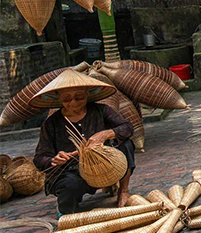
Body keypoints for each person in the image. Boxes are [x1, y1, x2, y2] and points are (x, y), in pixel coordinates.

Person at [32, 70, 136, 215]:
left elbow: (127, 128)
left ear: (87, 94)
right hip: (72, 171)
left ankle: (123, 191)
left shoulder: (101, 110)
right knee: (71, 186)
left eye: (79, 97)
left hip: (101, 164)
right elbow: (39, 159)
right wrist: (54, 160)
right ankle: (66, 207)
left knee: (126, 145)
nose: (73, 102)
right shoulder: (51, 124)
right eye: (67, 99)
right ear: (59, 99)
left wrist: (106, 134)